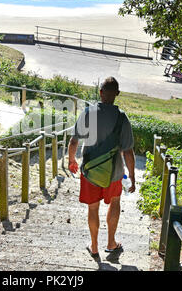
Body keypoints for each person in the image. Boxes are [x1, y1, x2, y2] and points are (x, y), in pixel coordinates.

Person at [67, 76, 136, 260]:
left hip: (90, 171)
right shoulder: (122, 118)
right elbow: (128, 151)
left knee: (92, 208)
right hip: (114, 173)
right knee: (114, 203)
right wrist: (132, 176)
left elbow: (74, 140)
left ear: (100, 93)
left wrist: (71, 160)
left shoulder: (88, 113)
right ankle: (111, 243)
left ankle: (95, 246)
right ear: (117, 94)